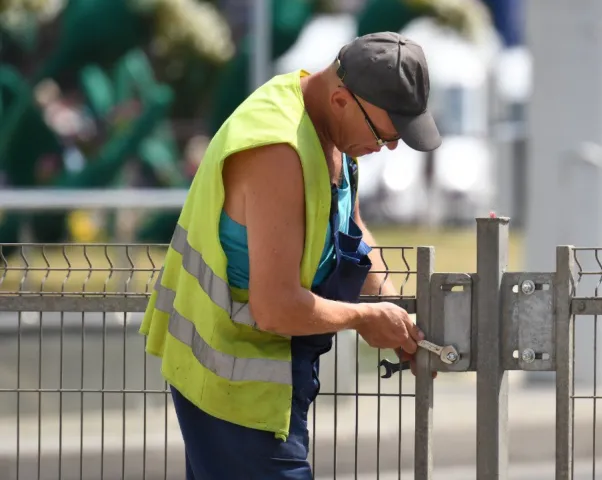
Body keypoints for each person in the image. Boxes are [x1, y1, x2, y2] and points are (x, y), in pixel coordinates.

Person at [139, 32, 442, 479]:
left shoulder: (330, 123)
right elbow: (276, 307)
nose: (390, 146)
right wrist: (364, 319)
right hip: (233, 386)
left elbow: (350, 228)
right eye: (385, 133)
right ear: (341, 99)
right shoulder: (278, 150)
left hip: (266, 377)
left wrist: (392, 311)